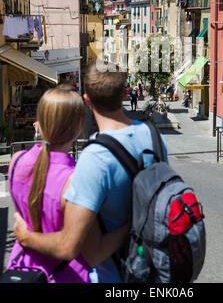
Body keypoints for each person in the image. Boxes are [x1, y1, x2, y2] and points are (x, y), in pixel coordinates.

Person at [13, 62, 168, 283]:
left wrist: (26, 237)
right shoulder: (154, 137)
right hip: (155, 267)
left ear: (87, 100)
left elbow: (82, 250)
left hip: (116, 275)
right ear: (125, 93)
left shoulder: (94, 158)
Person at [8, 86, 127, 283]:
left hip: (21, 270)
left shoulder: (16, 161)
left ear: (41, 122)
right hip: (63, 277)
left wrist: (26, 236)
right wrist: (128, 227)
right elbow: (89, 252)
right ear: (79, 125)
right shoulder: (75, 180)